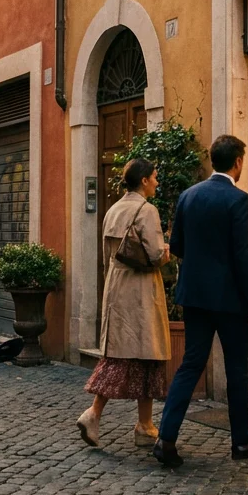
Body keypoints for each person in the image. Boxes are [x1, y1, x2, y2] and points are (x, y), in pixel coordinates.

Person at [154, 135, 248, 467]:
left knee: (190, 364)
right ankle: (242, 440)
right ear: (238, 162)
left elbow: (176, 245)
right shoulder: (239, 200)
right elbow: (244, 256)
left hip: (195, 295)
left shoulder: (188, 195)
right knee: (236, 368)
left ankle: (166, 437)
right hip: (229, 299)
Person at [77, 158, 172, 448]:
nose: (157, 181)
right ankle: (93, 413)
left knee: (131, 356)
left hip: (116, 288)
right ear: (143, 180)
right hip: (142, 291)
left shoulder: (113, 210)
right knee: (138, 356)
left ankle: (145, 424)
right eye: (154, 176)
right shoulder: (147, 210)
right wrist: (167, 249)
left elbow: (108, 255)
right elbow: (155, 255)